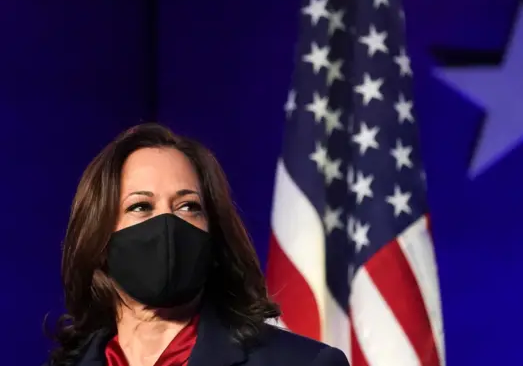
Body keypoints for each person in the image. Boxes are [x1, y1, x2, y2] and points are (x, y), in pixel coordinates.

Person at [44, 123, 349, 366]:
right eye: (140, 207)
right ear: (98, 241)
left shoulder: (306, 363)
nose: (168, 224)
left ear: (213, 235)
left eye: (188, 206)